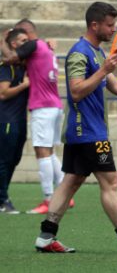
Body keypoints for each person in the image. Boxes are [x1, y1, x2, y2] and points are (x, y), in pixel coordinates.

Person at [34, 1, 117, 253]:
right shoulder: (79, 53)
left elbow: (114, 86)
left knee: (71, 181)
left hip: (85, 132)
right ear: (94, 25)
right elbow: (75, 92)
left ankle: (46, 236)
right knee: (110, 181)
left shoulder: (97, 53)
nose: (112, 29)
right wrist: (103, 70)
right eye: (109, 25)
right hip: (89, 133)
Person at [0, 19, 68, 215]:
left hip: (43, 108)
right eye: (19, 39)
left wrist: (3, 42)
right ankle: (63, 195)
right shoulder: (43, 50)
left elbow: (12, 57)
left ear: (29, 35)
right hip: (52, 106)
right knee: (49, 152)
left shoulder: (34, 47)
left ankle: (49, 199)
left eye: (24, 38)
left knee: (42, 152)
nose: (24, 43)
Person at [0, 29, 30, 214]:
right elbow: (3, 93)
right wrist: (24, 85)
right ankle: (3, 200)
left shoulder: (22, 65)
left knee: (14, 159)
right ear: (13, 44)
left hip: (20, 119)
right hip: (6, 120)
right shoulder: (6, 67)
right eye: (23, 40)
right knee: (4, 161)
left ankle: (3, 196)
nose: (27, 42)